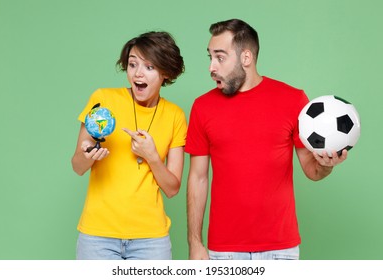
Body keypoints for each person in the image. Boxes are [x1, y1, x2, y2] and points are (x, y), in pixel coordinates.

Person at [185, 19, 348, 260]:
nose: (211, 67)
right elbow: (198, 178)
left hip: (280, 250)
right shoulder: (202, 107)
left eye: (220, 57)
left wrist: (325, 165)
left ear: (246, 58)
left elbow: (312, 171)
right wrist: (195, 243)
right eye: (210, 57)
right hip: (224, 250)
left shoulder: (293, 100)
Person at [71, 31, 187, 260]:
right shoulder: (103, 99)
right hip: (97, 236)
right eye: (133, 64)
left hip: (151, 239)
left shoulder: (175, 116)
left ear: (165, 72)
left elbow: (172, 188)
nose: (138, 73)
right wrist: (88, 157)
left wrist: (152, 156)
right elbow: (77, 166)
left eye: (149, 67)